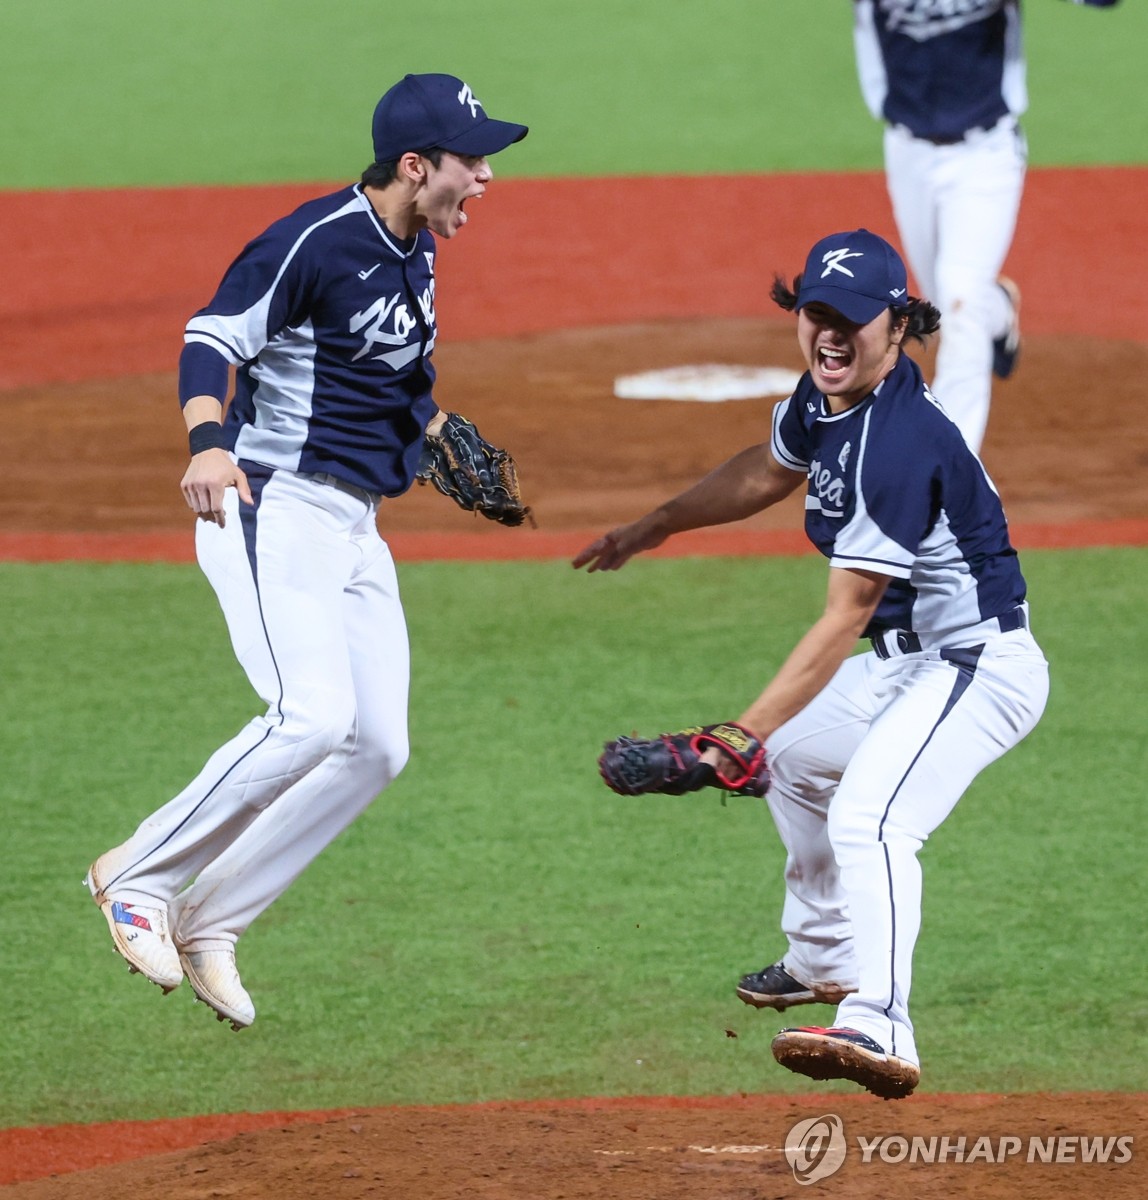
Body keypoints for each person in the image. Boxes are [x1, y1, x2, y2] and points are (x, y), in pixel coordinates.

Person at [85, 73, 528, 1030]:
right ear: (416, 167)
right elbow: (213, 338)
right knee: (312, 717)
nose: (487, 177)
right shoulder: (314, 242)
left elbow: (390, 374)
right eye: (473, 160)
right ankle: (138, 878)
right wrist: (207, 441)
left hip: (354, 523)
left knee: (378, 746)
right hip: (271, 503)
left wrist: (436, 426)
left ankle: (213, 920)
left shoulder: (415, 251)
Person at [573, 229, 1050, 1098]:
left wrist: (736, 735)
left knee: (872, 818)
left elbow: (845, 616)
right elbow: (768, 468)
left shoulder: (897, 443)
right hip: (911, 666)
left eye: (852, 322)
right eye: (814, 315)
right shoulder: (831, 397)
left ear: (897, 326)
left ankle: (885, 1025)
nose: (829, 336)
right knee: (794, 760)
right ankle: (825, 958)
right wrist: (659, 523)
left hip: (979, 666)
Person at [852, 0, 1120, 452]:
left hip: (986, 154)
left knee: (959, 302)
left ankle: (951, 471)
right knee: (946, 303)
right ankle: (997, 306)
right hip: (907, 152)